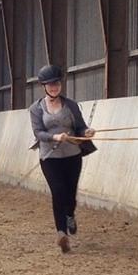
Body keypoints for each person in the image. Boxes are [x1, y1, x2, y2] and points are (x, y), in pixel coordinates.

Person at [29, 64, 97, 253]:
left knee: (70, 193)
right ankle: (61, 233)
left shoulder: (71, 105)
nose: (54, 87)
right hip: (49, 157)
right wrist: (54, 137)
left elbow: (81, 127)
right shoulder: (36, 109)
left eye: (56, 84)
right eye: (50, 85)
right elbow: (38, 132)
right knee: (58, 192)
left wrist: (87, 131)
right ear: (44, 86)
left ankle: (70, 214)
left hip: (72, 156)